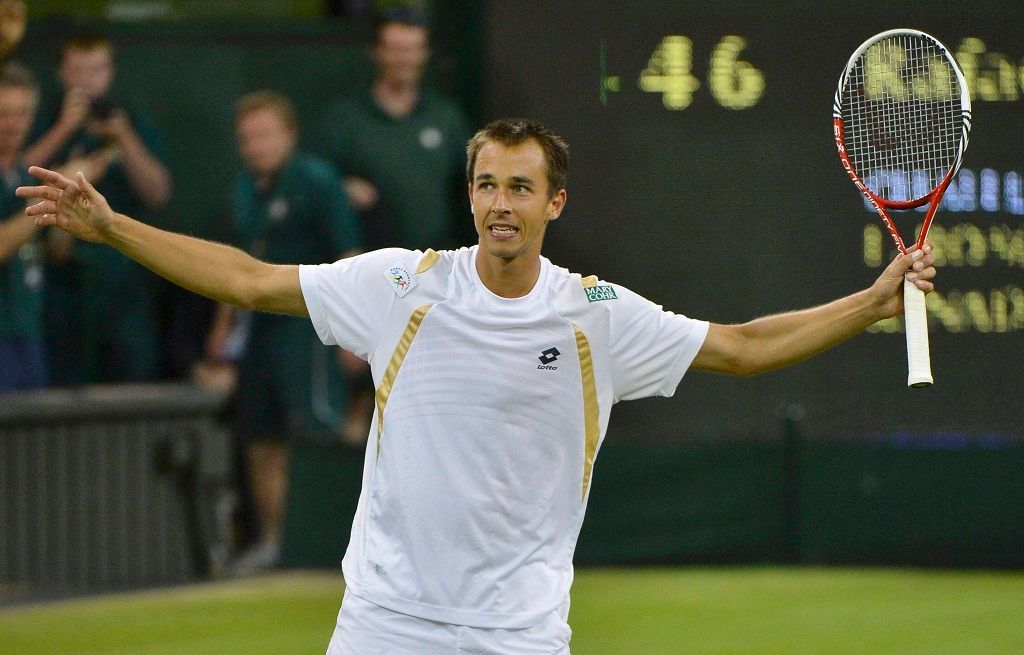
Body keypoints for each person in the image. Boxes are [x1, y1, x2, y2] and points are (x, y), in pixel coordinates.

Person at [18, 118, 937, 654]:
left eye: (521, 187)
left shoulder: (596, 314)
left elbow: (739, 347)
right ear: (470, 197)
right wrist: (115, 228)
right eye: (487, 185)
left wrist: (870, 302)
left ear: (554, 203)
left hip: (518, 632)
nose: (502, 202)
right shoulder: (399, 285)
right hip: (385, 620)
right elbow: (249, 278)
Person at [206, 91, 363, 573]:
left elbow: (349, 258)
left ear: (289, 135)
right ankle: (275, 544)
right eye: (247, 138)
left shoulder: (318, 182)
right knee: (259, 438)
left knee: (316, 431)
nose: (255, 146)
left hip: (310, 333)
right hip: (258, 338)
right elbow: (236, 263)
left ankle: (326, 544)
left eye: (264, 135)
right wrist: (223, 326)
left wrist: (353, 333)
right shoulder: (244, 190)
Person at [320, 6, 473, 442]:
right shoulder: (344, 122)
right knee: (362, 414)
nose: (405, 59)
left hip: (437, 287)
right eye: (396, 49)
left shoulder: (446, 120)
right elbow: (315, 192)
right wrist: (341, 187)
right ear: (377, 53)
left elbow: (467, 198)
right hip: (368, 282)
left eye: (414, 50)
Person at [24, 34, 172, 383]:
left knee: (130, 377)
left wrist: (124, 138)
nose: (87, 80)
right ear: (62, 73)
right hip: (61, 282)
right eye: (77, 70)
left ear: (111, 73)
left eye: (96, 70)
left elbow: (159, 193)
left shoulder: (128, 120)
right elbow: (15, 173)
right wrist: (65, 129)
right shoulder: (44, 118)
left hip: (121, 279)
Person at [0, 61, 43, 391]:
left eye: (22, 113)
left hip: (28, 332)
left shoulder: (26, 174)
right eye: (4, 113)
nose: (13, 124)